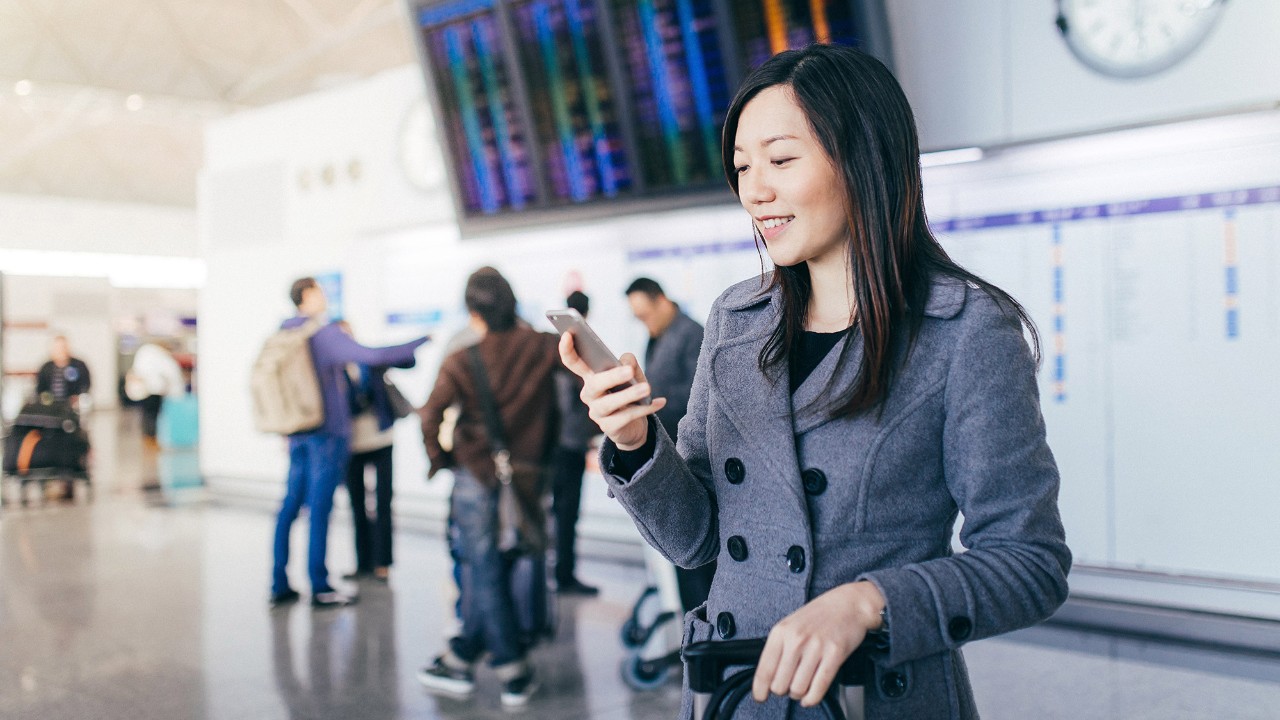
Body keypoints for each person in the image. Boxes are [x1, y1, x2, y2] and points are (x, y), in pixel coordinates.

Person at [559, 45, 1071, 719]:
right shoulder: (736, 322)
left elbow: (1029, 562)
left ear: (861, 157)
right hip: (737, 692)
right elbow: (695, 541)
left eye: (780, 160)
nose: (754, 190)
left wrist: (870, 602)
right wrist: (631, 438)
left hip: (875, 696)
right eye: (743, 167)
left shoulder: (965, 331)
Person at [416, 267, 558, 708]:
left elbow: (429, 415)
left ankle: (512, 670)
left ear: (474, 311)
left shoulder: (463, 359)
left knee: (483, 567)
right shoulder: (543, 346)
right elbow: (586, 376)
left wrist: (440, 461)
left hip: (476, 476)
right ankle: (461, 657)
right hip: (528, 473)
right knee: (508, 561)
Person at [270, 278, 428, 609]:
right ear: (307, 296)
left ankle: (279, 582)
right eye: (319, 291)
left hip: (297, 432)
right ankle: (320, 585)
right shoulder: (321, 333)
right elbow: (369, 354)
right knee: (319, 510)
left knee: (289, 507)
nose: (324, 297)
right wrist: (419, 340)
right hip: (325, 436)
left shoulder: (283, 333)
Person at [625, 277, 716, 613]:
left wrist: (649, 402)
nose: (644, 322)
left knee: (698, 565)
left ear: (662, 300)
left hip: (690, 456)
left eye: (646, 313)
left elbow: (702, 398)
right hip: (669, 452)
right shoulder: (658, 336)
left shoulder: (691, 334)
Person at [337, 322, 400, 584]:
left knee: (383, 502)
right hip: (353, 444)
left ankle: (382, 562)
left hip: (381, 439)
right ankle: (363, 562)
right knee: (357, 504)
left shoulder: (369, 361)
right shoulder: (332, 370)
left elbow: (405, 360)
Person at [550, 291, 600, 596]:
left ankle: (558, 572)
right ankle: (564, 575)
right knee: (567, 512)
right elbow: (573, 401)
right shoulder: (578, 348)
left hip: (557, 443)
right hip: (568, 444)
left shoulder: (554, 345)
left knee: (558, 512)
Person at [126, 342, 185, 451]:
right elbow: (171, 374)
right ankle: (151, 439)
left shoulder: (145, 353)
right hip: (155, 390)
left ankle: (149, 439)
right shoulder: (161, 357)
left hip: (148, 390)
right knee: (152, 416)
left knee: (147, 415)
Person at [36, 336, 91, 407]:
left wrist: (77, 396)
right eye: (58, 348)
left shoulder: (79, 365)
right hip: (50, 404)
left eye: (63, 347)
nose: (60, 351)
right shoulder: (46, 367)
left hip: (73, 404)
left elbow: (85, 384)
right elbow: (40, 388)